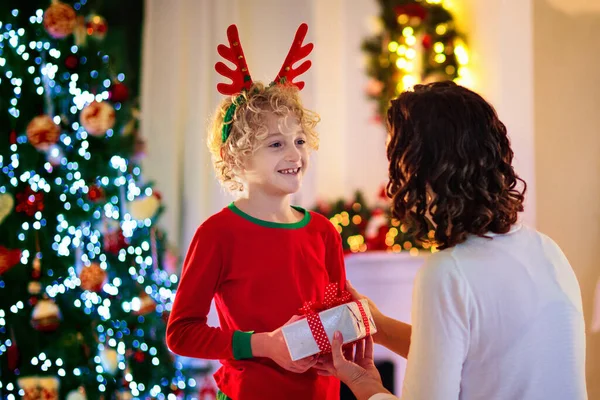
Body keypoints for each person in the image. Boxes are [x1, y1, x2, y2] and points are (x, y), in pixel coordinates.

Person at [316, 82, 587, 400]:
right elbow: (477, 356)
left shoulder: (448, 272)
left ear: (423, 171)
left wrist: (367, 386)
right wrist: (379, 324)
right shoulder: (546, 250)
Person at [166, 24, 346, 399]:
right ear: (236, 156)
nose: (294, 155)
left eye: (299, 140)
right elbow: (180, 333)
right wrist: (264, 344)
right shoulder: (218, 234)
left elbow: (337, 316)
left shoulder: (323, 232)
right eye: (276, 144)